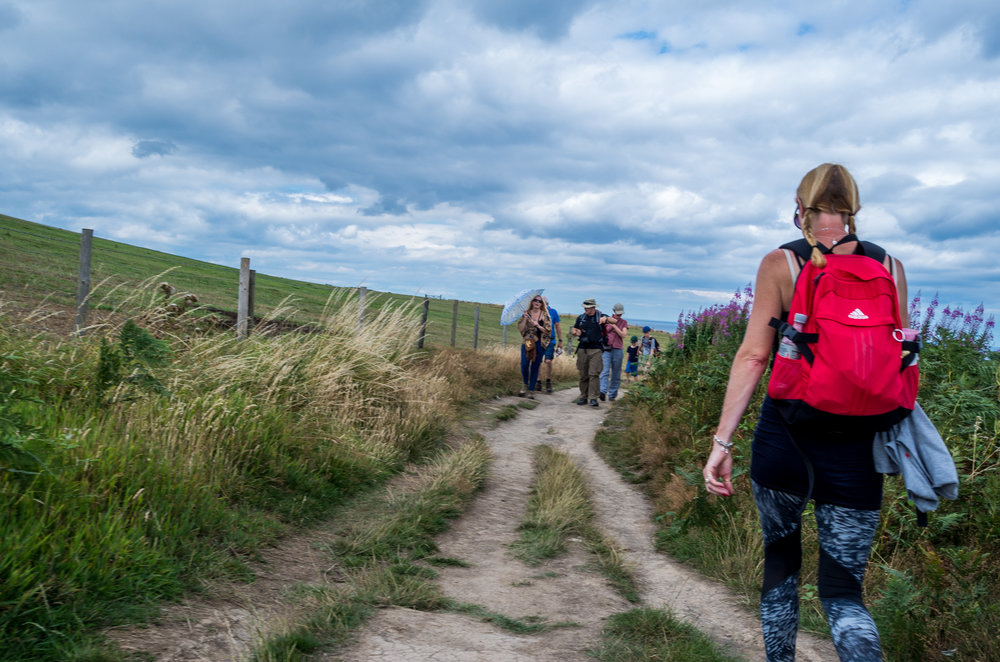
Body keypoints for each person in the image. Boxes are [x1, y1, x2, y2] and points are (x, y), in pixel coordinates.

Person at [703, 164, 909, 662]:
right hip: (861, 451)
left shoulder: (782, 263)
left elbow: (754, 356)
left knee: (781, 563)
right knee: (843, 591)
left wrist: (722, 443)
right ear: (854, 208)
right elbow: (899, 357)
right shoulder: (890, 267)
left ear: (801, 208)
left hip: (785, 442)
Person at [570, 298, 606, 407]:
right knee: (583, 374)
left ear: (593, 307)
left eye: (588, 307)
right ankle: (583, 396)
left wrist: (605, 318)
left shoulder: (600, 316)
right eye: (585, 307)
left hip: (596, 349)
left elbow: (614, 321)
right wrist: (576, 332)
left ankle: (593, 398)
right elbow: (573, 330)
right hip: (583, 349)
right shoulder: (581, 318)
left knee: (594, 374)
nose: (585, 309)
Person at [516, 295, 551, 399]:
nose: (537, 302)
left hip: (540, 343)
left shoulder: (545, 315)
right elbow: (521, 329)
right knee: (524, 364)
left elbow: (548, 331)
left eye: (539, 301)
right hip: (528, 341)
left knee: (535, 366)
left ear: (542, 304)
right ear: (532, 302)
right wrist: (525, 319)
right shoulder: (527, 313)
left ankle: (531, 390)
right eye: (535, 300)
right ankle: (524, 385)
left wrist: (538, 326)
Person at [599, 302, 629, 401]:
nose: (619, 315)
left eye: (620, 313)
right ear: (614, 311)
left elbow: (623, 335)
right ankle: (602, 391)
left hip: (618, 349)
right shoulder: (607, 319)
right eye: (617, 312)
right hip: (607, 349)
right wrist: (609, 322)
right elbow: (603, 331)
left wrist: (615, 326)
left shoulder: (624, 322)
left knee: (616, 373)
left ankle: (612, 394)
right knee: (605, 371)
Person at [539, 296, 563, 393]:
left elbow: (557, 326)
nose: (544, 305)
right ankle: (538, 381)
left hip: (550, 340)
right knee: (538, 361)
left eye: (545, 303)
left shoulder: (553, 312)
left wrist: (560, 340)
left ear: (548, 303)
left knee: (548, 361)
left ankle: (548, 381)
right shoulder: (537, 312)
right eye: (542, 303)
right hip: (539, 340)